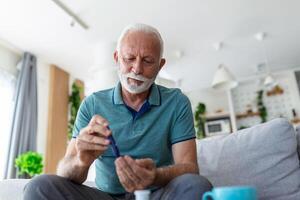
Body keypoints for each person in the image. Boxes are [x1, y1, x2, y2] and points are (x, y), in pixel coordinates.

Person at [24, 23, 212, 200]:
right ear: (116, 58)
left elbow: (189, 167)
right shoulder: (92, 104)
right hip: (107, 197)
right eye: (129, 58)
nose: (137, 69)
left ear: (160, 65)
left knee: (196, 185)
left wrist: (155, 176)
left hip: (158, 194)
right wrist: (81, 160)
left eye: (147, 61)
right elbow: (65, 170)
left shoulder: (177, 102)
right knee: (39, 187)